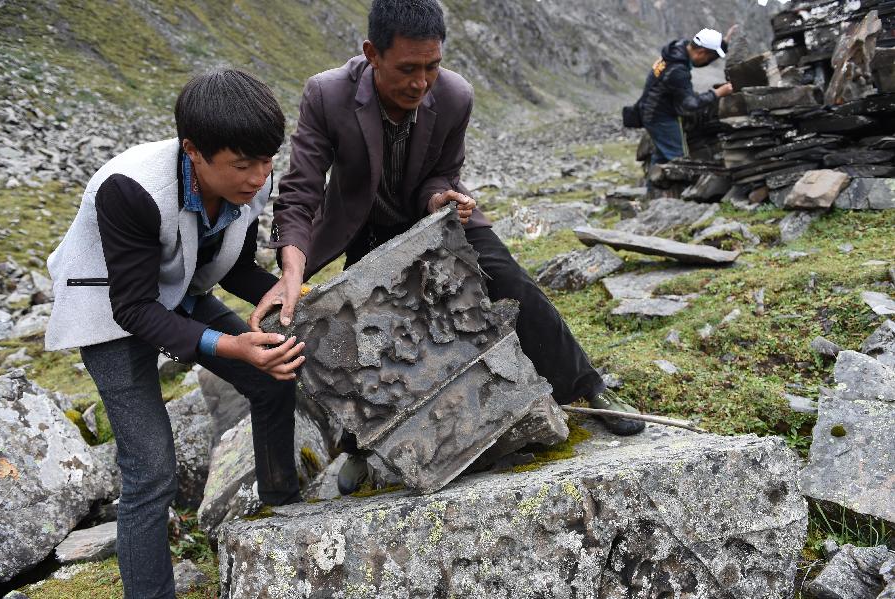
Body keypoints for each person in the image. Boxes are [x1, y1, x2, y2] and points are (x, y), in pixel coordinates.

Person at [250, 0, 645, 494]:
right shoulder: (327, 94)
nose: (420, 83)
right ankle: (360, 450)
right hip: (362, 228)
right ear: (372, 54)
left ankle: (588, 390)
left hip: (437, 217)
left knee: (512, 282)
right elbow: (303, 188)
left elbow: (444, 170)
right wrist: (292, 266)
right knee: (360, 337)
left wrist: (440, 197)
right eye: (407, 69)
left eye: (432, 67)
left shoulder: (455, 96)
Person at [45, 69, 306, 599]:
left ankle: (284, 518)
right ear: (193, 150)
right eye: (243, 165)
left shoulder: (249, 176)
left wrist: (273, 289)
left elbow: (226, 263)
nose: (259, 178)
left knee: (276, 376)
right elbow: (133, 307)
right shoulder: (131, 188)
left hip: (176, 291)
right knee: (151, 470)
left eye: (266, 162)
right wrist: (229, 345)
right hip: (108, 310)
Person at [638, 27, 736, 165]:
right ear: (701, 52)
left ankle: (654, 184)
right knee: (676, 157)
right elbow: (690, 104)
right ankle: (671, 185)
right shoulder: (678, 70)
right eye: (709, 57)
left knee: (661, 155)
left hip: (651, 108)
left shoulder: (678, 49)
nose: (708, 62)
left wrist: (723, 43)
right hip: (659, 116)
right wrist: (718, 93)